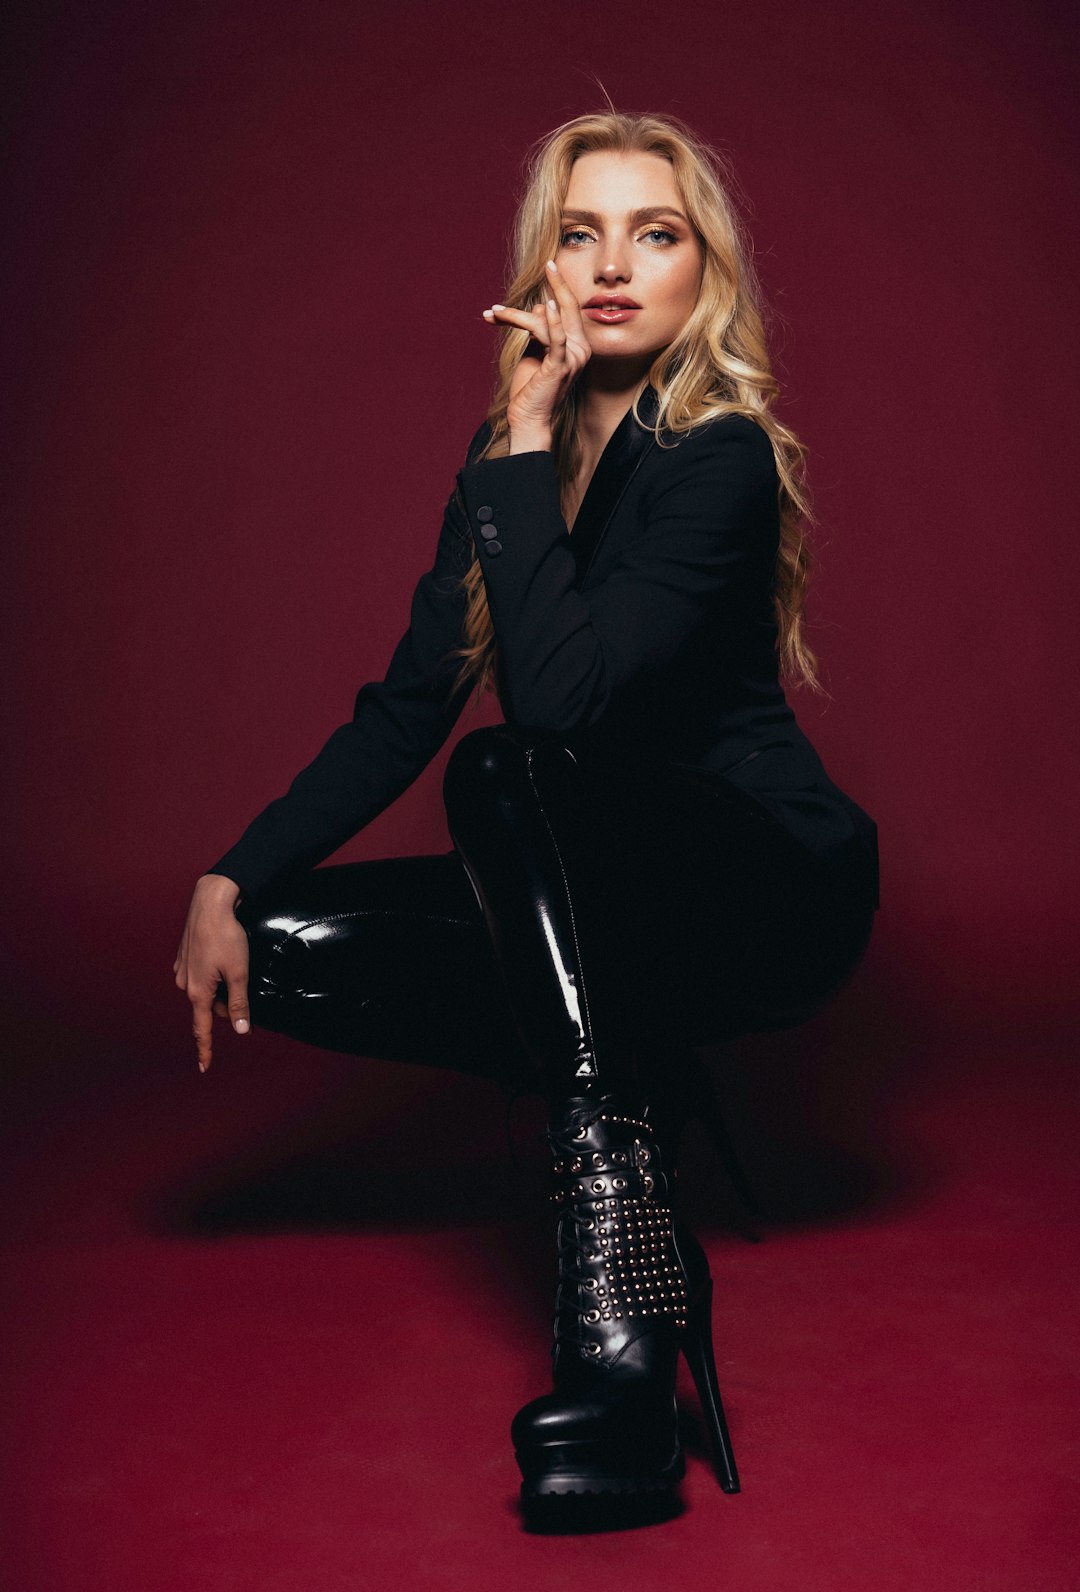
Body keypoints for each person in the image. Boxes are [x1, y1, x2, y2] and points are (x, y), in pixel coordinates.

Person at [174, 109, 879, 1506]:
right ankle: (631, 1085)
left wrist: (528, 437)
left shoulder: (718, 456)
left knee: (507, 772)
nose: (613, 266)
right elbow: (405, 708)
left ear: (703, 271)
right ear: (542, 268)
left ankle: (625, 1307)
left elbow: (560, 712)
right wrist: (228, 877)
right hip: (605, 906)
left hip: (765, 889)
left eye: (655, 234)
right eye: (580, 233)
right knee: (287, 944)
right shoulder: (508, 456)